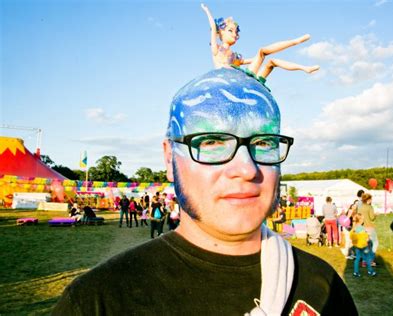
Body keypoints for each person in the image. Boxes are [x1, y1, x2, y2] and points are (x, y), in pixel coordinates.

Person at [52, 68, 357, 315]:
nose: (247, 169)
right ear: (170, 157)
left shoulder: (324, 287)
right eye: (211, 142)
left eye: (264, 142)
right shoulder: (97, 301)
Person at [201, 3, 319, 85]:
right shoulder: (216, 49)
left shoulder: (235, 56)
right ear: (220, 33)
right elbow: (212, 26)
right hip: (231, 82)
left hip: (242, 80)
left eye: (236, 32)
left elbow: (252, 60)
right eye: (230, 31)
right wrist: (207, 11)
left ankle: (304, 67)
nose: (234, 34)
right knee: (262, 52)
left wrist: (260, 58)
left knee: (271, 61)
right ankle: (295, 42)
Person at [357, 193, 378, 261]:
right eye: (371, 199)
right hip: (369, 227)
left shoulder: (359, 207)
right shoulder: (370, 207)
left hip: (361, 228)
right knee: (375, 243)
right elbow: (372, 218)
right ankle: (371, 259)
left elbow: (358, 217)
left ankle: (364, 260)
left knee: (365, 244)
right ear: (368, 199)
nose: (371, 200)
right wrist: (376, 215)